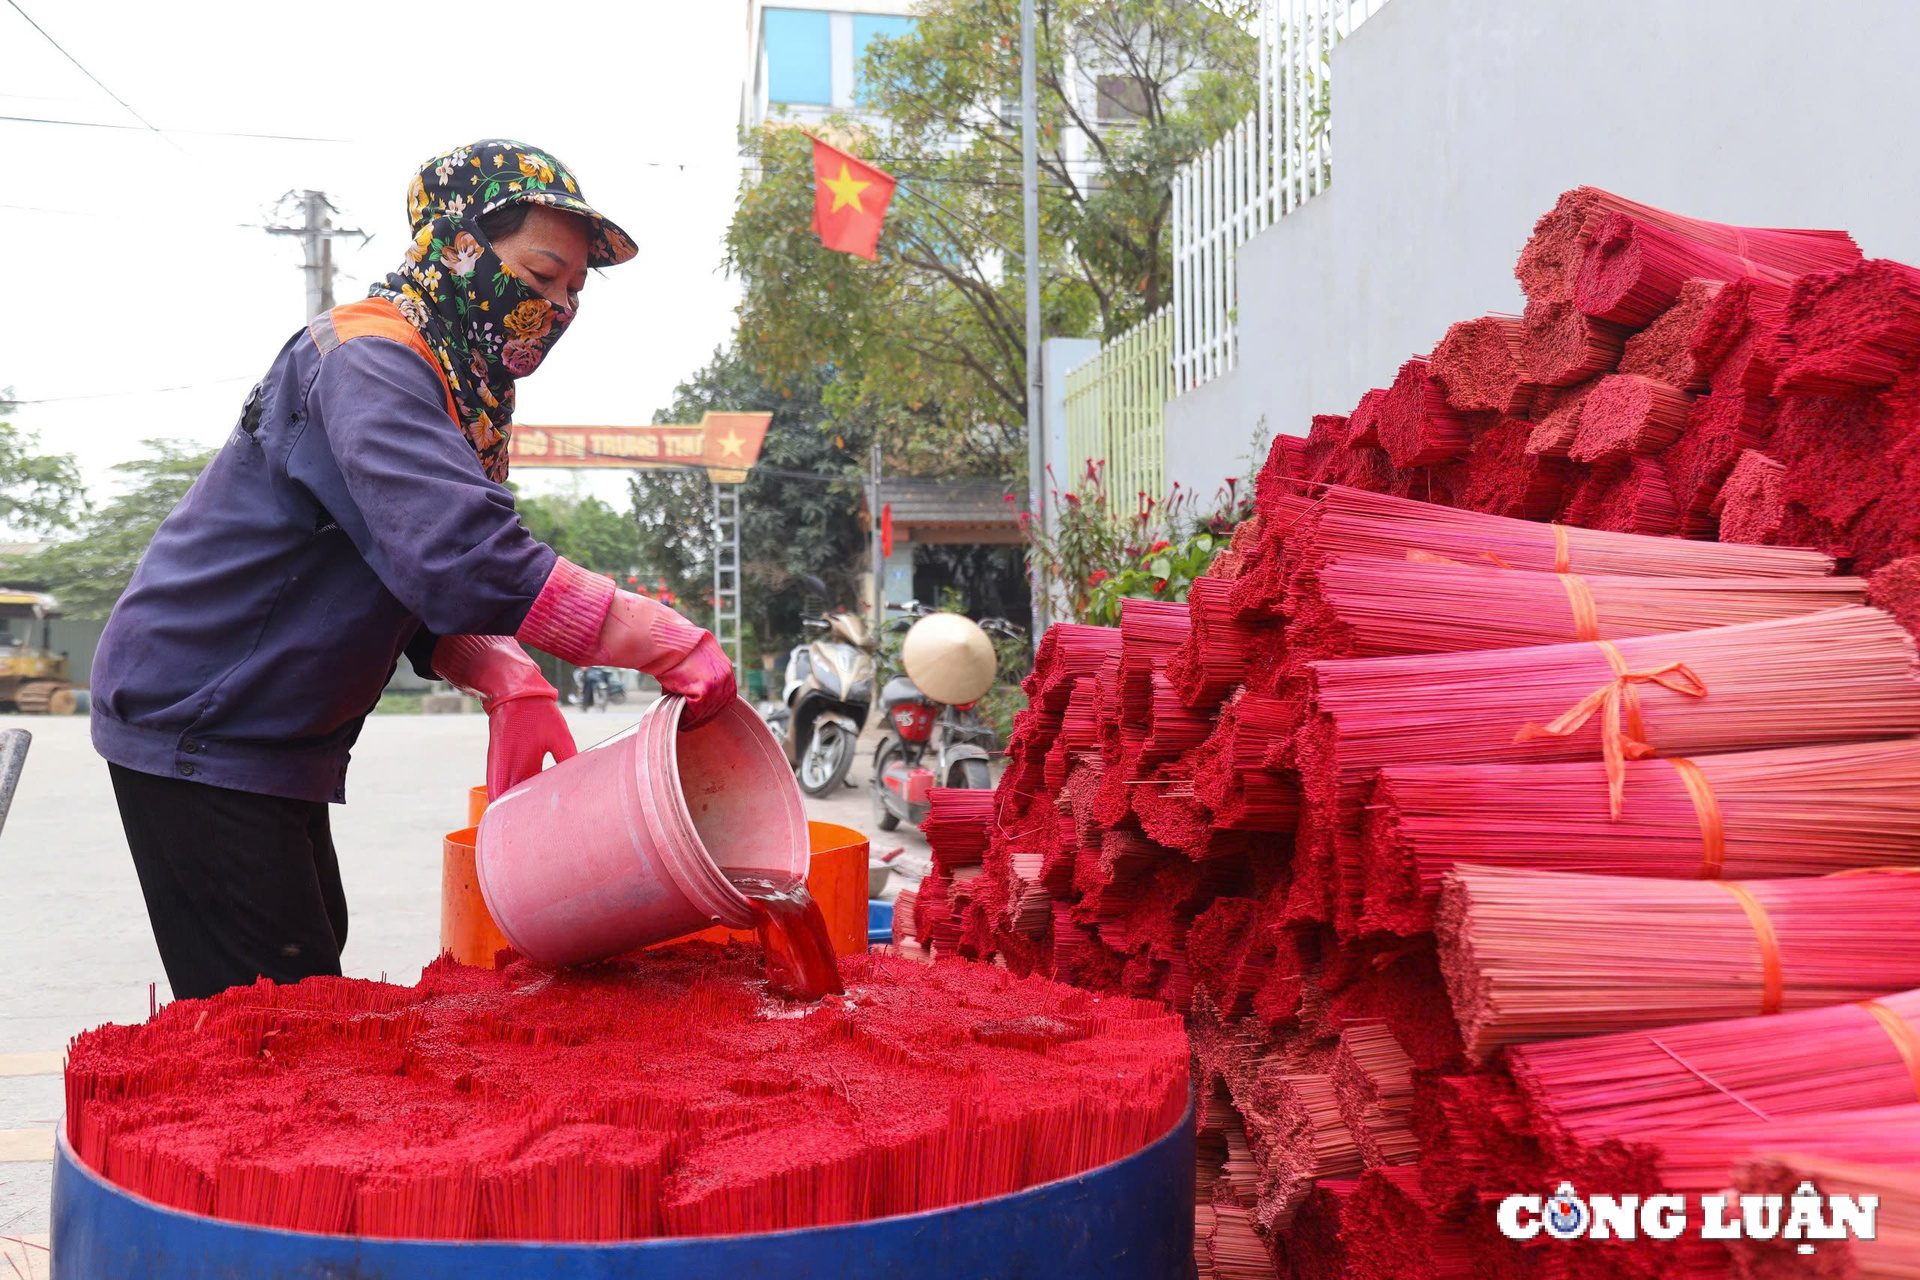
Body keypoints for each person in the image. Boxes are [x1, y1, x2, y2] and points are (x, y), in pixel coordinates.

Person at [90, 141, 735, 1001]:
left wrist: (504, 673)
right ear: (459, 247)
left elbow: (406, 572)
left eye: (574, 291)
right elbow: (457, 554)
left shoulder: (462, 384)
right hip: (202, 713)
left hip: (268, 732)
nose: (556, 306)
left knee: (309, 961)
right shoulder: (372, 359)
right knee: (280, 1014)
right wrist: (656, 636)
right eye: (541, 275)